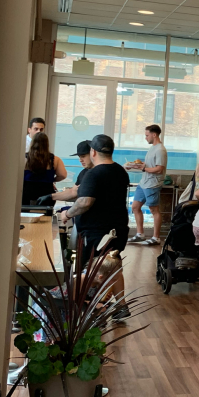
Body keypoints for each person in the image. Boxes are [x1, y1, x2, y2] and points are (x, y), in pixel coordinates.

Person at [59, 135, 131, 318]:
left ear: (93, 152)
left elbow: (84, 202)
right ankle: (121, 305)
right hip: (117, 230)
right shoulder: (121, 172)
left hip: (96, 232)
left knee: (91, 272)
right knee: (113, 265)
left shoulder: (94, 174)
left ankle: (89, 307)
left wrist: (67, 214)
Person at [128, 124, 167, 245]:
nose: (145, 138)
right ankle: (140, 234)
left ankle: (156, 237)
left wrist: (143, 169)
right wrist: (138, 166)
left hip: (152, 184)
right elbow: (150, 164)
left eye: (147, 135)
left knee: (154, 209)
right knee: (135, 207)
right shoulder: (153, 148)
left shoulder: (161, 150)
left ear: (154, 135)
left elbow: (159, 169)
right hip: (144, 182)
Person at [22, 133, 67, 206]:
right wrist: (52, 179)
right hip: (46, 194)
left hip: (26, 193)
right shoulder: (55, 160)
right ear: (47, 144)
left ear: (32, 143)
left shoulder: (24, 158)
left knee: (25, 214)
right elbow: (63, 175)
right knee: (46, 216)